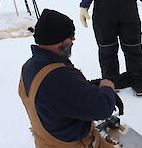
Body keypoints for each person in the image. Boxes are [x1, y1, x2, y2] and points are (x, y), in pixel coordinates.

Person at [19, 9, 118, 148]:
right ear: (61, 41)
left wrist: (95, 86)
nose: (73, 41)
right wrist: (107, 89)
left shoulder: (30, 66)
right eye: (71, 38)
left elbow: (63, 96)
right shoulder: (58, 77)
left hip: (46, 142)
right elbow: (102, 109)